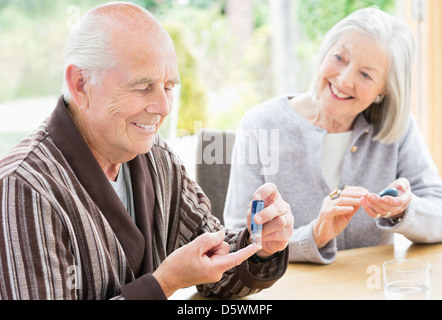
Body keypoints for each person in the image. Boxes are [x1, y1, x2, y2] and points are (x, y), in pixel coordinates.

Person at [0, 2, 294, 300]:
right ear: (80, 85)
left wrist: (261, 246)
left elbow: (214, 270)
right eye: (143, 87)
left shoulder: (157, 157)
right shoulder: (21, 187)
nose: (164, 108)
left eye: (169, 87)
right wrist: (164, 283)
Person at [224, 8, 442, 264]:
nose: (343, 79)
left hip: (368, 289)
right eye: (340, 57)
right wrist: (314, 236)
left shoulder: (398, 129)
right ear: (324, 53)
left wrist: (404, 210)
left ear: (384, 90)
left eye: (366, 74)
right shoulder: (260, 125)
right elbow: (237, 241)